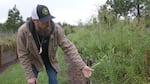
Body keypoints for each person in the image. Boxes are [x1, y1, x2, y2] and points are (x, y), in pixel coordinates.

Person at [17, 4, 93, 84]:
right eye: (44, 21)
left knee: (53, 80)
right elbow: (22, 54)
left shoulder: (56, 29)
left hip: (50, 58)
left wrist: (82, 66)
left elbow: (68, 47)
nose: (48, 23)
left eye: (48, 19)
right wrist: (30, 76)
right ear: (35, 21)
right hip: (34, 59)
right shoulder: (23, 32)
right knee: (32, 81)